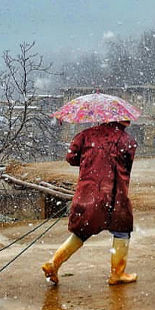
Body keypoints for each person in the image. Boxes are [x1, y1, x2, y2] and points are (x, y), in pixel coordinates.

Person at [42, 120, 138, 285]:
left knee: (82, 232)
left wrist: (90, 159)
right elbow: (127, 164)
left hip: (88, 192)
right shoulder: (127, 140)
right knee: (121, 231)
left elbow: (71, 158)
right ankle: (117, 274)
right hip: (115, 194)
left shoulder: (85, 135)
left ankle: (54, 263)